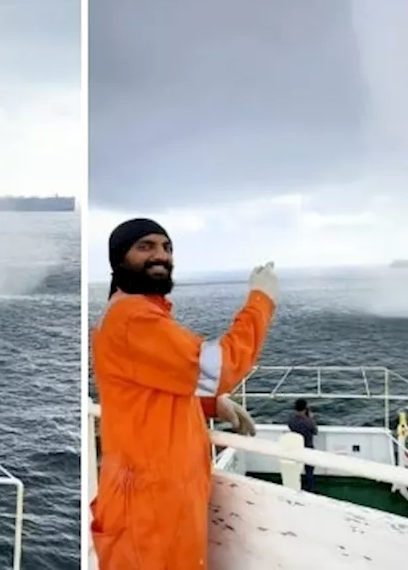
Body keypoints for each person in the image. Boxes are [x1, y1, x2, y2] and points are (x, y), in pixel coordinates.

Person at [90, 217, 278, 570]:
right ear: (119, 259)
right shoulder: (134, 319)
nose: (160, 255)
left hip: (158, 503)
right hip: (148, 512)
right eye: (145, 246)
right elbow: (221, 367)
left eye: (167, 247)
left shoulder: (133, 314)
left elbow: (150, 385)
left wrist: (208, 403)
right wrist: (261, 301)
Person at [288, 398, 320, 492]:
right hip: (308, 448)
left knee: (296, 469)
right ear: (305, 408)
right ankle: (310, 489)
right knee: (309, 471)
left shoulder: (291, 421)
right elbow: (315, 431)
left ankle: (296, 487)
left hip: (296, 448)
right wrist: (310, 418)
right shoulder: (309, 422)